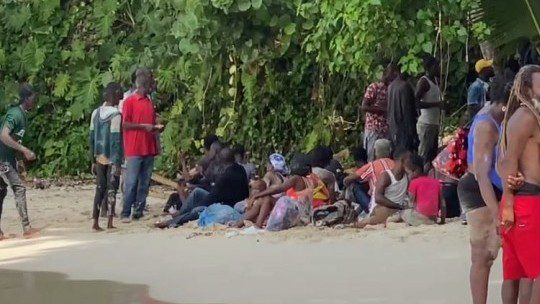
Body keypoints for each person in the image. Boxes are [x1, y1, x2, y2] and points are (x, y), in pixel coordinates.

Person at [457, 78, 509, 304]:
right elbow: (482, 174)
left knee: (494, 252)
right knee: (482, 255)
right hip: (479, 189)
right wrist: (496, 212)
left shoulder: (497, 117)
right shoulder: (487, 126)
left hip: (492, 187)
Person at [499, 65, 540, 304]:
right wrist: (509, 201)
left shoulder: (524, 116)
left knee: (521, 274)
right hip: (527, 203)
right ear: (527, 89)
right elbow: (508, 160)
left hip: (521, 202)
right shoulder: (526, 117)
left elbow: (503, 162)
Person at [155, 147, 249, 228]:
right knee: (197, 192)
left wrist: (199, 204)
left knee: (197, 210)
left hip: (227, 205)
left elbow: (212, 196)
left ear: (221, 161)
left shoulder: (225, 176)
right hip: (231, 200)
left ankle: (174, 221)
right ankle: (180, 214)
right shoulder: (240, 169)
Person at [121, 68, 163, 222]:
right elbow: (125, 124)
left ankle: (138, 211)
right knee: (131, 182)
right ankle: (125, 212)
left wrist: (156, 129)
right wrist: (143, 127)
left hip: (148, 147)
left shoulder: (149, 101)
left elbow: (151, 123)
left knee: (144, 183)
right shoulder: (129, 101)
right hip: (134, 148)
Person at [0, 84, 39, 240]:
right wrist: (24, 150)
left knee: (1, 191)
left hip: (6, 158)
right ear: (26, 98)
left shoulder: (22, 115)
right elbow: (3, 136)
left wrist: (21, 158)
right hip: (2, 159)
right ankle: (27, 227)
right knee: (19, 188)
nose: (35, 101)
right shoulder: (15, 114)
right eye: (33, 98)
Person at [89, 82, 124, 231]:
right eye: (119, 95)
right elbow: (115, 140)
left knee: (99, 189)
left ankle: (95, 222)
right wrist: (117, 163)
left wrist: (92, 159)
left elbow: (91, 138)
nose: (121, 97)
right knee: (111, 189)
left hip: (99, 156)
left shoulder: (96, 113)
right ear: (114, 94)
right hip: (111, 158)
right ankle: (110, 221)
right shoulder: (116, 115)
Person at [354, 149, 411, 229]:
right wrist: (398, 206)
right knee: (383, 214)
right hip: (385, 208)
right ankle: (358, 224)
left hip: (397, 208)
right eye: (409, 160)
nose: (411, 162)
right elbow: (378, 198)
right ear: (402, 161)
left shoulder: (407, 176)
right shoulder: (386, 176)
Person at [362, 65, 397, 161]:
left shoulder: (391, 88)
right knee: (372, 157)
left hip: (386, 129)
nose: (394, 75)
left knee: (386, 158)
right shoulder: (374, 87)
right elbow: (364, 106)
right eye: (392, 72)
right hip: (374, 128)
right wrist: (381, 110)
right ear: (386, 73)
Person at [402, 154, 445, 226]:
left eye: (408, 173)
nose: (408, 176)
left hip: (420, 218)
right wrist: (442, 220)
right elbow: (443, 204)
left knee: (404, 212)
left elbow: (411, 203)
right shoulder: (436, 182)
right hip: (433, 219)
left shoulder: (413, 183)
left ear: (414, 171)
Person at [416, 55, 444, 166]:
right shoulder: (424, 82)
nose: (438, 69)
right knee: (424, 154)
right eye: (436, 66)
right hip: (426, 124)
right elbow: (416, 102)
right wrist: (437, 104)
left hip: (433, 123)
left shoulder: (435, 81)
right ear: (430, 68)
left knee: (432, 155)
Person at [387, 64, 419, 153]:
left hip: (393, 128)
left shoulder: (390, 86)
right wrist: (413, 134)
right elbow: (407, 112)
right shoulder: (405, 86)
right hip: (404, 130)